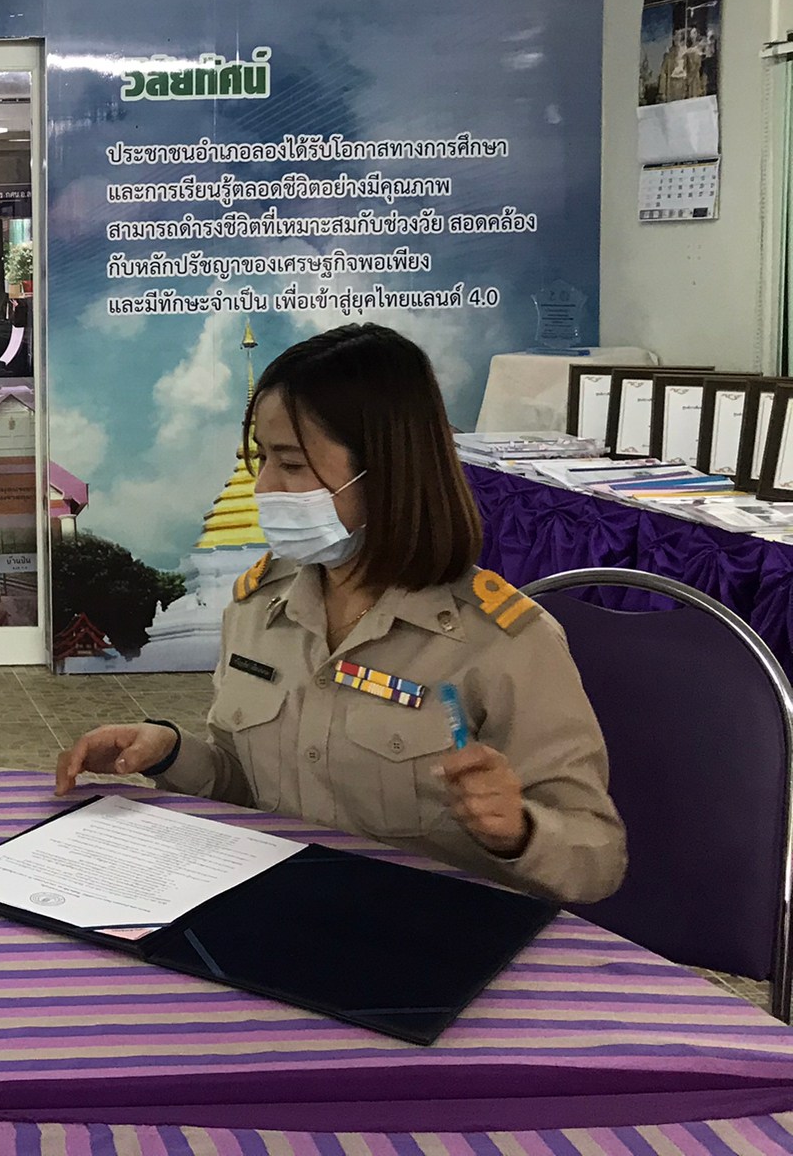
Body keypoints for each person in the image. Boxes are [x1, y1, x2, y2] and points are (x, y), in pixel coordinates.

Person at [55, 323, 625, 905]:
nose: (264, 486)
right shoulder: (258, 609)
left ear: (388, 471)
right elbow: (247, 788)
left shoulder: (504, 641)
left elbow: (597, 860)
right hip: (277, 907)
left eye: (291, 464)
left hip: (426, 929)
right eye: (263, 459)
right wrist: (169, 750)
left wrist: (518, 831)